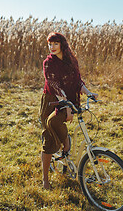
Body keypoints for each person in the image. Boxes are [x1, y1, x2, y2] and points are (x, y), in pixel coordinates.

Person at [40, 32, 98, 189]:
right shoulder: (48, 63)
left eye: (55, 44)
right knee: (49, 138)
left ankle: (65, 141)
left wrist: (88, 93)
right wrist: (65, 105)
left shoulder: (71, 60)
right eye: (50, 44)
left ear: (62, 44)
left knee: (57, 126)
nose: (52, 47)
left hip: (68, 99)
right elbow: (54, 85)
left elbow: (77, 81)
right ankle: (45, 179)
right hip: (51, 100)